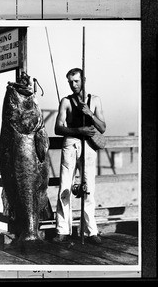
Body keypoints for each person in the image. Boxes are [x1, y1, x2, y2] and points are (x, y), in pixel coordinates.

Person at [53, 68, 106, 244]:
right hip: (70, 144)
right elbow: (58, 128)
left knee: (89, 188)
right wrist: (78, 130)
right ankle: (62, 230)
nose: (73, 85)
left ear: (83, 79)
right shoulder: (66, 102)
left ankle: (91, 231)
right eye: (70, 82)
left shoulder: (95, 100)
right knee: (64, 187)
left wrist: (90, 114)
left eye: (76, 81)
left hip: (89, 146)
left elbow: (103, 127)